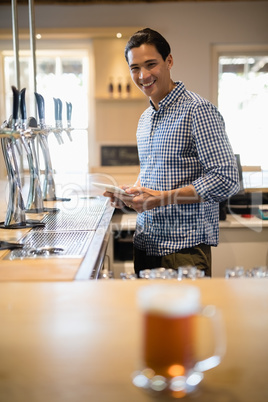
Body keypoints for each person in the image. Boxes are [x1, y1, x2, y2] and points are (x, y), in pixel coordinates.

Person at [104, 28, 240, 277]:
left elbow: (227, 179)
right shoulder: (145, 118)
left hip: (183, 250)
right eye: (135, 68)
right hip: (146, 244)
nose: (143, 75)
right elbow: (152, 173)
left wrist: (162, 198)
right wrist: (131, 194)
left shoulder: (198, 111)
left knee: (184, 317)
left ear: (169, 61)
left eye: (151, 64)